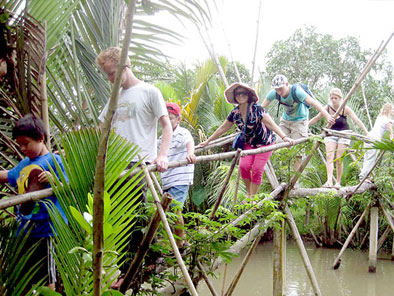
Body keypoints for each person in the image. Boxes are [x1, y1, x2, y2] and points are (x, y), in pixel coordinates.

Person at [96, 47, 172, 289]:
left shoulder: (149, 91)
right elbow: (101, 129)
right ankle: (123, 269)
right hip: (113, 165)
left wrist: (162, 156)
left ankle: (136, 268)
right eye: (106, 75)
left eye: (110, 73)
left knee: (133, 216)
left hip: (138, 163)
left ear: (123, 67)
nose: (109, 79)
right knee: (116, 219)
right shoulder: (114, 97)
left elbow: (166, 126)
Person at [0, 114, 68, 291]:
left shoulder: (55, 161)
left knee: (47, 277)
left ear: (41, 138)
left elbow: (69, 188)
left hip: (46, 230)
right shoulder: (24, 163)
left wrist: (54, 181)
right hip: (24, 230)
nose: (22, 148)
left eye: (26, 143)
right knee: (23, 276)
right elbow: (7, 176)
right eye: (19, 144)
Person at [199, 82, 295, 198]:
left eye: (243, 93)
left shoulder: (257, 109)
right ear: (235, 96)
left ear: (248, 95)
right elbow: (223, 128)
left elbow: (271, 124)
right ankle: (250, 193)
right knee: (243, 167)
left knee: (257, 169)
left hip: (265, 143)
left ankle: (252, 197)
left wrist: (284, 137)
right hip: (249, 143)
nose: (240, 95)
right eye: (238, 93)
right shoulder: (235, 113)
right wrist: (208, 141)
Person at [262, 74, 336, 172]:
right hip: (285, 121)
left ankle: (295, 179)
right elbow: (261, 108)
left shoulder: (296, 91)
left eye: (281, 89)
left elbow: (313, 102)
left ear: (287, 84)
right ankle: (284, 174)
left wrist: (327, 115)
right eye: (277, 89)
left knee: (298, 151)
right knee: (280, 145)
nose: (279, 92)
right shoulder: (274, 93)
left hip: (300, 121)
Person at [309, 88, 368, 188]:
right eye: (332, 98)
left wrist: (366, 132)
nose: (333, 100)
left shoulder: (345, 109)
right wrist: (306, 124)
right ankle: (329, 181)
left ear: (340, 98)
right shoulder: (327, 108)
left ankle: (338, 182)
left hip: (344, 134)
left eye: (335, 98)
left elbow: (357, 120)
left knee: (339, 158)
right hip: (330, 134)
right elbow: (316, 118)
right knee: (329, 156)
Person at [158, 102, 196, 248]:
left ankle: (180, 244)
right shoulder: (161, 138)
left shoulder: (182, 132)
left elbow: (189, 142)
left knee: (175, 209)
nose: (168, 121)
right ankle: (173, 242)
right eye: (165, 118)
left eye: (171, 118)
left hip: (180, 178)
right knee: (167, 212)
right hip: (167, 180)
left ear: (178, 119)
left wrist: (190, 154)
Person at [359, 103, 394, 183]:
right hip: (375, 139)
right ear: (389, 109)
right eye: (392, 109)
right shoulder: (386, 119)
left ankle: (365, 176)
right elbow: (389, 127)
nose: (393, 111)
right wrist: (392, 135)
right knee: (371, 159)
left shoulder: (380, 117)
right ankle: (362, 176)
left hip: (369, 136)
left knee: (367, 158)